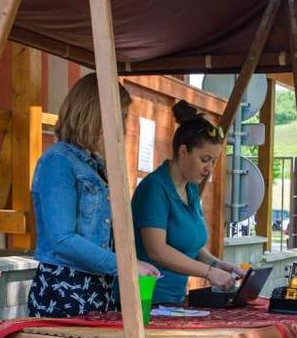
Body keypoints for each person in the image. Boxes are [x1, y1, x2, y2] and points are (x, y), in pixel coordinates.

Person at [28, 74, 159, 317]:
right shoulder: (58, 161)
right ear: (95, 113)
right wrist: (127, 265)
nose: (123, 127)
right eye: (120, 117)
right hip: (64, 289)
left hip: (98, 287)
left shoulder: (95, 164)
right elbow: (62, 239)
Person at [132, 101, 241, 304]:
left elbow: (190, 243)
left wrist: (217, 264)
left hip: (173, 300)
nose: (209, 168)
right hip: (145, 301)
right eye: (205, 159)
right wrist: (208, 273)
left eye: (213, 162)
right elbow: (157, 251)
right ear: (183, 152)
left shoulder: (190, 188)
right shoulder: (155, 188)